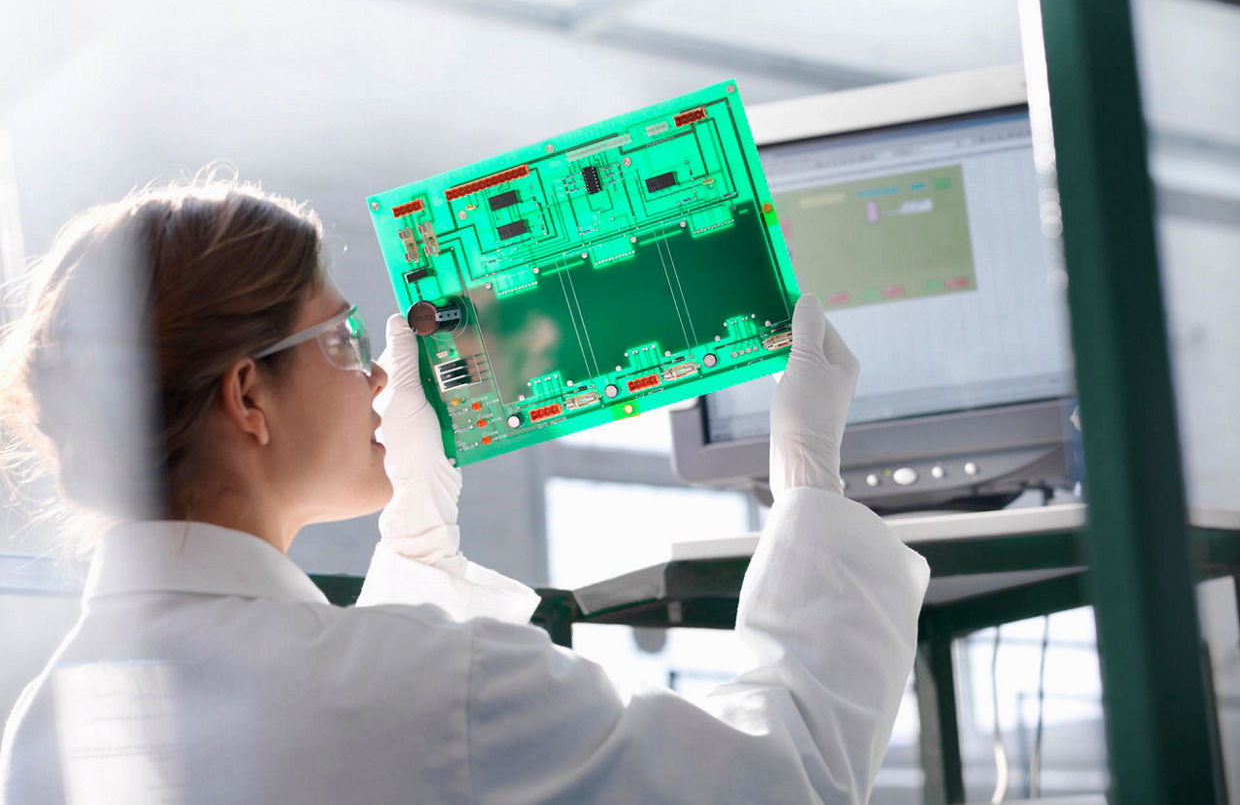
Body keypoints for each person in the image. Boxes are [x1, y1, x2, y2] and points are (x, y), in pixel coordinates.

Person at [0, 177, 929, 804]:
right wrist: (810, 490)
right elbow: (786, 779)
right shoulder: (441, 682)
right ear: (249, 396)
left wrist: (420, 556)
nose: (373, 377)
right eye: (339, 340)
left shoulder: (42, 728)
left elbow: (379, 744)